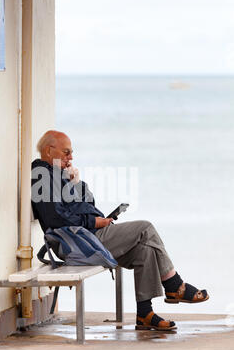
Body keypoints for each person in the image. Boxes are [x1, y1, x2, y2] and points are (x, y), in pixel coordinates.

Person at [31, 130, 209, 331]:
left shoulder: (58, 176)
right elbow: (55, 218)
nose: (71, 157)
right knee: (145, 228)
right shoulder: (42, 176)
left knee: (145, 250)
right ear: (48, 150)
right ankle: (174, 285)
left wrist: (75, 183)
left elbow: (89, 203)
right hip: (76, 242)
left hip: (87, 237)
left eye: (71, 153)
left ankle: (145, 314)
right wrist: (94, 222)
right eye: (66, 152)